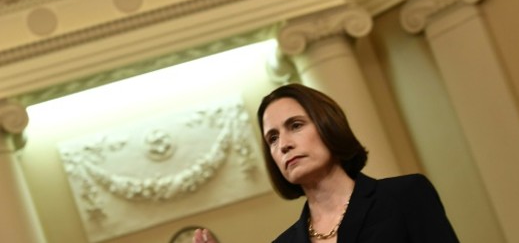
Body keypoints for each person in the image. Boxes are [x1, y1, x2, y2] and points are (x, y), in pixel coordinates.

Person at [194, 83, 459, 242]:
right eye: (272, 138)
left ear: (328, 126)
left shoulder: (405, 196)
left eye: (295, 126)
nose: (283, 144)